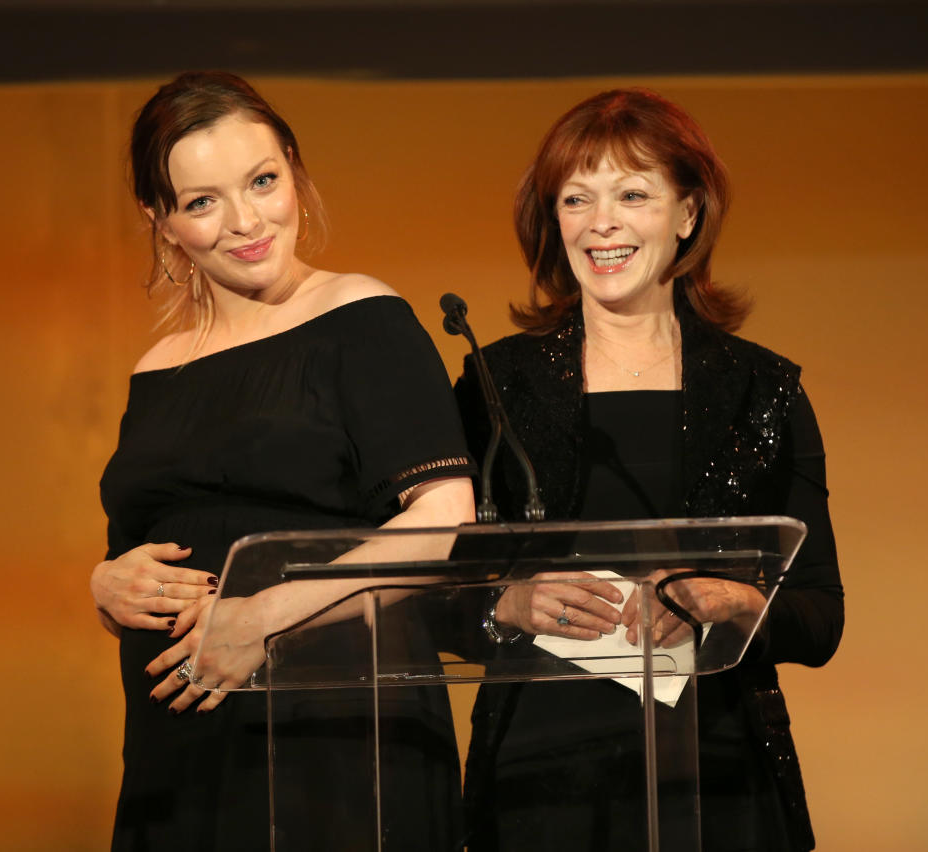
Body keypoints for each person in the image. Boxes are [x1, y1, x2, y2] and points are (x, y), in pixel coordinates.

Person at [90, 71, 476, 851]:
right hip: (183, 745)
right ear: (159, 220)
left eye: (263, 181)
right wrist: (104, 585)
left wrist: (255, 623)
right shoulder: (156, 368)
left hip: (334, 730)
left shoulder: (362, 318)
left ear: (294, 171)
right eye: (202, 202)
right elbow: (139, 544)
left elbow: (442, 520)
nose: (246, 221)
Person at [455, 89, 844, 851]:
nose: (602, 222)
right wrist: (508, 603)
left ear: (687, 214)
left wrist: (734, 599)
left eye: (632, 194)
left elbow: (821, 617)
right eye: (576, 198)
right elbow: (433, 595)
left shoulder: (763, 390)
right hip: (539, 774)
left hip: (716, 771)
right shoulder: (494, 389)